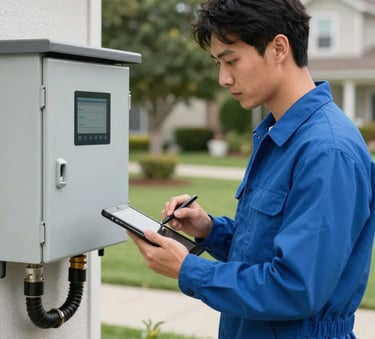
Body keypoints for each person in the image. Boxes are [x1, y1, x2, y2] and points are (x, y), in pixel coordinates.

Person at [128, 0, 375, 338]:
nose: (223, 78)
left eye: (231, 60)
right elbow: (266, 253)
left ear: (278, 48)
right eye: (218, 62)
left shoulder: (327, 151)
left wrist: (189, 270)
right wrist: (210, 230)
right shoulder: (279, 135)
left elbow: (296, 288)